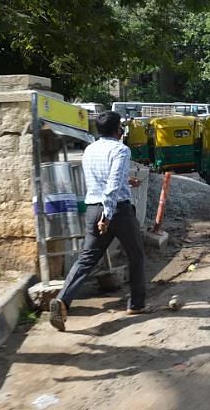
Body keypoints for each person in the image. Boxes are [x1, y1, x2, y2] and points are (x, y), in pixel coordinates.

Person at [49, 111, 147, 331]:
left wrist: (125, 181)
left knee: (87, 258)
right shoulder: (121, 149)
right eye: (121, 127)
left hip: (92, 208)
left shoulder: (90, 149)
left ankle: (63, 301)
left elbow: (101, 179)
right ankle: (136, 304)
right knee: (136, 255)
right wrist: (107, 215)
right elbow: (111, 185)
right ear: (118, 130)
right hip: (117, 211)